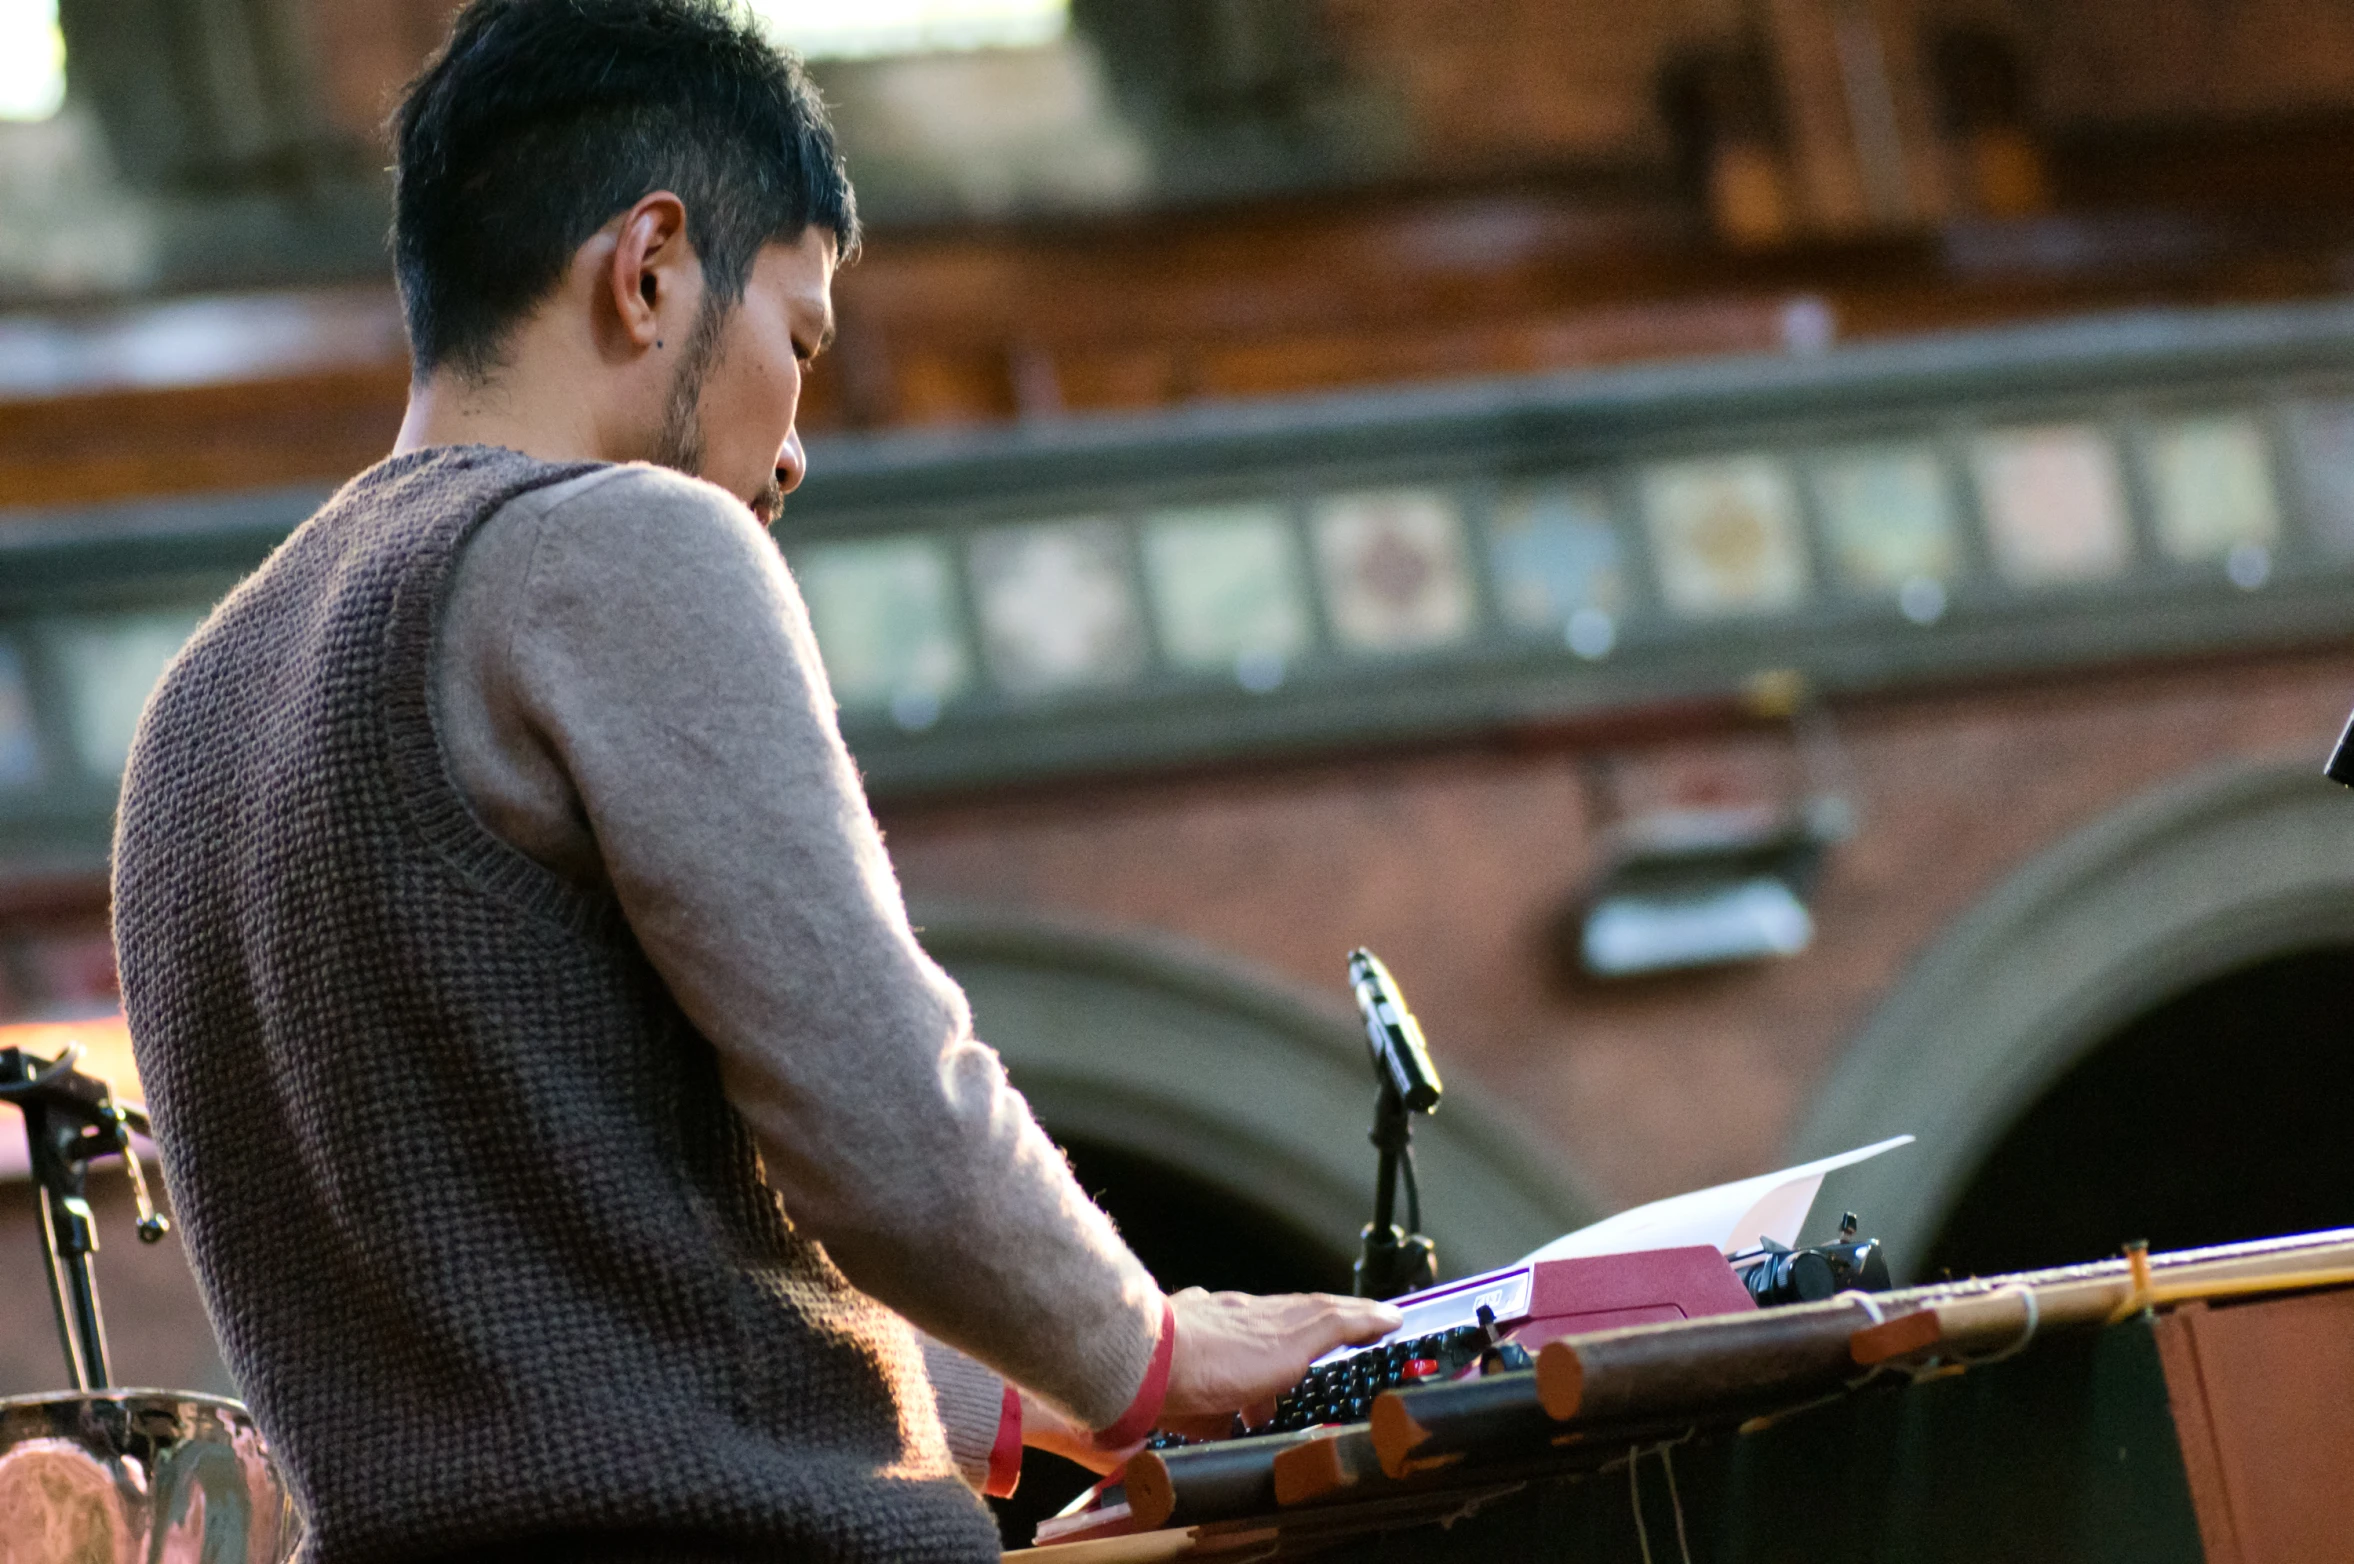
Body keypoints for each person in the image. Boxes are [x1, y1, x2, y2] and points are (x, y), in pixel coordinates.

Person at [108, 3, 1399, 1560]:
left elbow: (545, 1288)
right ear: (649, 268)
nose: (792, 452)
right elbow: (882, 1112)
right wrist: (1151, 1357)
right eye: (797, 338)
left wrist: (1019, 1400)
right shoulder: (615, 541)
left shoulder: (196, 707)